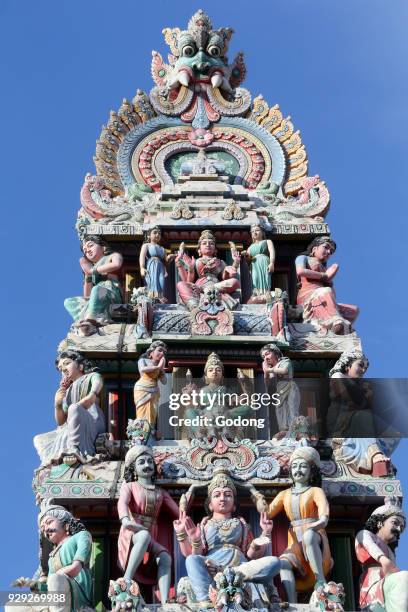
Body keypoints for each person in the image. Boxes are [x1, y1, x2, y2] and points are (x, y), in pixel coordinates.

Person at [173, 467, 281, 609]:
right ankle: (207, 601)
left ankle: (230, 574)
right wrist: (189, 536)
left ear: (234, 505)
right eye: (217, 495)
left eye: (228, 495)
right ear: (210, 505)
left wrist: (265, 534)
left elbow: (251, 555)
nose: (223, 498)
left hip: (240, 569)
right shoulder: (205, 524)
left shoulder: (241, 523)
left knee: (274, 562)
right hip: (212, 570)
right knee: (192, 560)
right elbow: (192, 554)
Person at [267, 447, 333, 603]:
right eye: (295, 466)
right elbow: (268, 513)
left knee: (309, 536)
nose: (298, 470)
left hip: (315, 537)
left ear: (311, 471)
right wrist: (253, 494)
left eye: (303, 466)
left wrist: (313, 527)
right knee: (283, 563)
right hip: (295, 544)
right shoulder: (284, 494)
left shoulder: (315, 491)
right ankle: (292, 603)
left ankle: (320, 581)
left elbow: (324, 518)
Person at [117, 446, 179, 604]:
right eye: (142, 462)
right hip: (133, 531)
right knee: (143, 535)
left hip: (151, 534)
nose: (147, 465)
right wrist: (125, 520)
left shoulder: (160, 492)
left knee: (165, 557)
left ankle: (165, 601)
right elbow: (122, 503)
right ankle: (127, 580)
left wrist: (188, 498)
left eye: (150, 462)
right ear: (134, 469)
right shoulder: (129, 486)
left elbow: (178, 513)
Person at [34, 350, 105, 466]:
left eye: (67, 363)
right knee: (39, 439)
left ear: (80, 365)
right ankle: (62, 454)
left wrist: (89, 398)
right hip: (72, 423)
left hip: (91, 417)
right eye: (61, 369)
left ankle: (75, 449)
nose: (64, 369)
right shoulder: (67, 392)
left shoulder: (92, 376)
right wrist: (57, 404)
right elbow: (61, 421)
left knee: (74, 409)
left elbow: (94, 393)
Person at [328, 350, 390, 477]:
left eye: (365, 368)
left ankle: (374, 454)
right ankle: (374, 455)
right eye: (360, 365)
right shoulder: (338, 377)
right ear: (347, 366)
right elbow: (346, 400)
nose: (362, 370)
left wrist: (369, 397)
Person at [295, 236, 358, 334]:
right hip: (308, 295)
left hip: (324, 296)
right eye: (326, 247)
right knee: (326, 291)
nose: (328, 252)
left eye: (331, 251)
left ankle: (342, 329)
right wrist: (324, 276)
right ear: (315, 248)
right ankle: (335, 321)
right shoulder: (303, 258)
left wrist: (329, 282)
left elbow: (332, 294)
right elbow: (300, 271)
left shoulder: (324, 269)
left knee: (354, 310)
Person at [355, 496, 408, 612]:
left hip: (388, 583)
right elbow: (370, 546)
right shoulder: (364, 534)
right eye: (395, 523)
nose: (398, 529)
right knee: (404, 577)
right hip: (373, 584)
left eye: (402, 527)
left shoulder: (390, 551)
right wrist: (383, 559)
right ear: (380, 522)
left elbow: (394, 571)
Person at [39, 503, 93, 612]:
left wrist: (57, 575)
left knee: (55, 579)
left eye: (49, 522)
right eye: (43, 528)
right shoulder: (51, 558)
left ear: (66, 524)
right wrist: (36, 586)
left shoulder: (82, 536)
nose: (46, 530)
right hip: (57, 588)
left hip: (77, 586)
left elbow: (76, 568)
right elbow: (48, 588)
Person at [64, 235, 123, 334]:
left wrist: (92, 271)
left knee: (98, 289)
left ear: (103, 246)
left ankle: (92, 320)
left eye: (90, 246)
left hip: (111, 292)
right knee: (69, 302)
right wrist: (87, 274)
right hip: (97, 295)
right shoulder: (91, 268)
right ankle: (85, 319)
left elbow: (116, 264)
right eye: (85, 251)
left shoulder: (112, 256)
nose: (88, 251)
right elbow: (87, 295)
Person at [176, 229, 240, 310]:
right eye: (204, 243)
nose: (208, 245)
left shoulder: (220, 262)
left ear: (215, 250)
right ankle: (194, 305)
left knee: (235, 282)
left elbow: (226, 279)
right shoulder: (195, 261)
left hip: (216, 287)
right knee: (180, 284)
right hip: (198, 287)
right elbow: (189, 282)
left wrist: (235, 264)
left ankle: (208, 291)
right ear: (199, 249)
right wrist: (191, 269)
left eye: (211, 243)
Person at [261, 343, 300, 432]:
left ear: (275, 353)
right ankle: (283, 430)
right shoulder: (270, 368)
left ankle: (294, 430)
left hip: (289, 386)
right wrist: (265, 373)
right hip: (279, 390)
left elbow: (284, 370)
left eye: (267, 354)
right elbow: (267, 384)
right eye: (263, 357)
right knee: (280, 410)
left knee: (292, 408)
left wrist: (269, 370)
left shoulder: (284, 361)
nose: (265, 358)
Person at [133, 341, 167, 430]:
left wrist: (162, 370)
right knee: (142, 413)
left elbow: (164, 382)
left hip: (154, 390)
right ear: (151, 353)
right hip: (142, 389)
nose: (162, 353)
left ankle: (150, 431)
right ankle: (141, 431)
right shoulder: (143, 360)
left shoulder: (160, 366)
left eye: (164, 352)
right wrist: (157, 367)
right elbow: (142, 369)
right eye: (159, 350)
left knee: (152, 413)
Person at [139, 226, 174, 302]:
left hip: (161, 266)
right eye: (155, 233)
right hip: (152, 265)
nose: (157, 235)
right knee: (153, 281)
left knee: (162, 281)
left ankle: (161, 296)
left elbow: (166, 261)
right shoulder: (146, 245)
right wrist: (142, 267)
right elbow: (142, 256)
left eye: (159, 233)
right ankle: (153, 298)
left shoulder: (162, 248)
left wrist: (170, 258)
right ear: (148, 235)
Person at [243, 224, 275, 301]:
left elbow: (272, 252)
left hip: (264, 261)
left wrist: (272, 263)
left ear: (262, 232)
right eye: (252, 231)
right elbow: (248, 260)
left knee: (265, 277)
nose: (255, 232)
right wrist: (246, 255)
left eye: (257, 230)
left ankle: (266, 293)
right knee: (255, 278)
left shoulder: (267, 241)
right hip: (254, 264)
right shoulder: (250, 247)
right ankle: (257, 294)